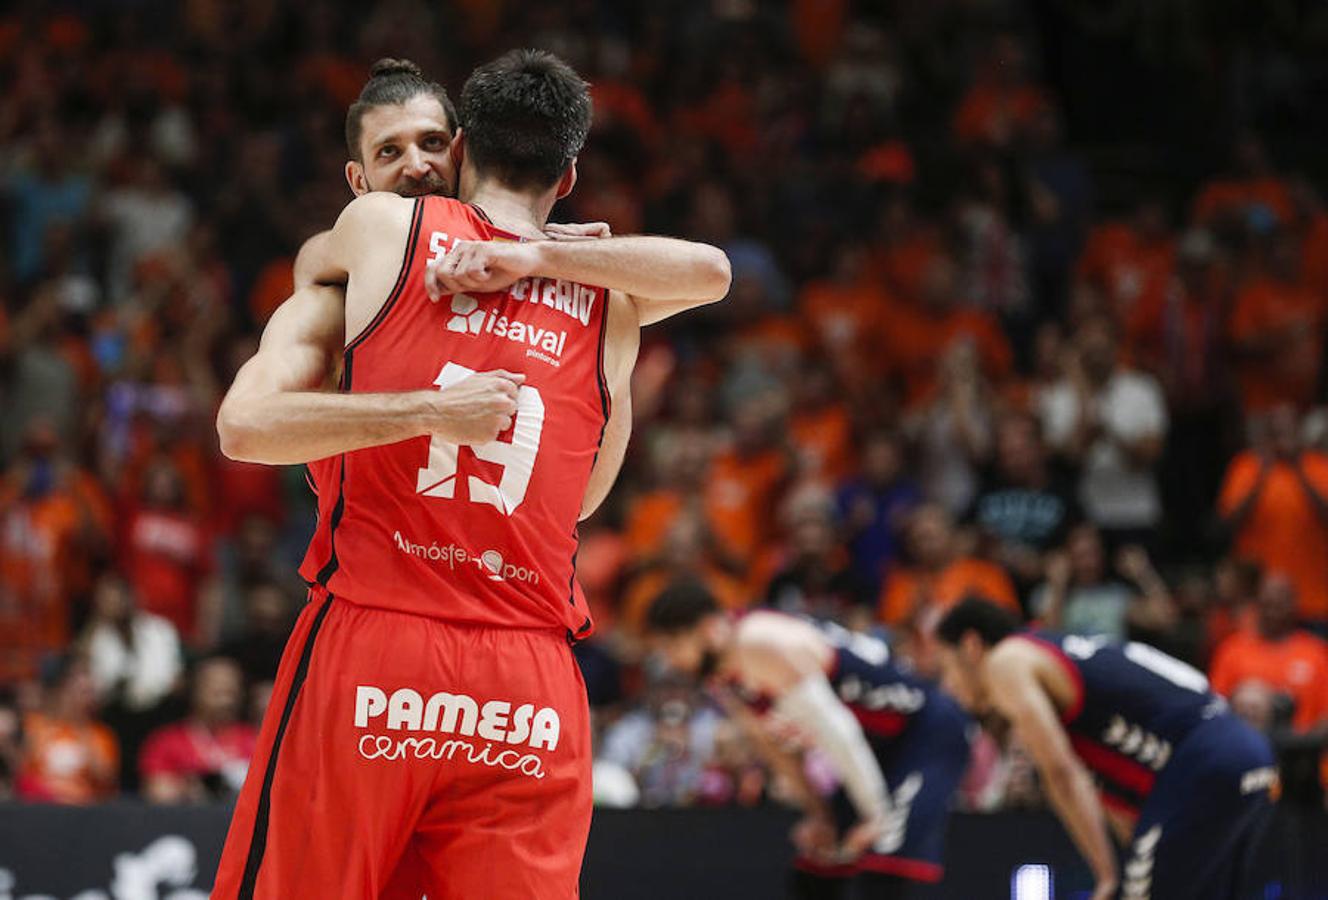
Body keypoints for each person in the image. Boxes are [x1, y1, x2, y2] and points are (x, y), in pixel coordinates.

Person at [211, 51, 730, 899]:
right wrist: (549, 260)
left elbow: (303, 284)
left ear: (462, 150)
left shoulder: (385, 234)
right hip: (529, 676)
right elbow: (588, 493)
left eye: (429, 145)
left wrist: (531, 259)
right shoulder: (617, 301)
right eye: (389, 155)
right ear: (569, 175)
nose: (413, 167)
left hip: (377, 640)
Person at [645, 582, 973, 900]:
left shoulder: (759, 644)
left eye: (673, 646)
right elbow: (774, 749)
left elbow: (838, 730)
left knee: (884, 853)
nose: (671, 660)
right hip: (880, 746)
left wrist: (874, 814)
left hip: (928, 730)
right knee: (819, 863)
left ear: (707, 628)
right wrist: (820, 814)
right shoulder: (722, 674)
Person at [935, 598, 1277, 900]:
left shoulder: (1006, 660)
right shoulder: (1061, 662)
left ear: (971, 645)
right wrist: (1131, 864)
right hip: (1244, 755)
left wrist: (1107, 876)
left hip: (1205, 758)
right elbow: (1127, 810)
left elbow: (1061, 773)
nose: (947, 686)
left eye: (946, 667)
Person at [139, 656, 257, 803]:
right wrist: (190, 788)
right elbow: (158, 792)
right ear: (195, 691)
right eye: (217, 692)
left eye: (231, 692)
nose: (226, 701)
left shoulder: (254, 740)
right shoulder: (166, 741)